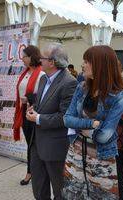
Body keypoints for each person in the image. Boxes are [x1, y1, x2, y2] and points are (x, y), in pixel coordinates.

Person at [63, 45, 123, 199]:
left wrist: (79, 125)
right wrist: (91, 124)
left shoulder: (119, 96)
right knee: (72, 194)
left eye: (87, 61)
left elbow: (104, 136)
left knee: (100, 195)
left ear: (100, 64)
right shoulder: (82, 87)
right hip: (76, 151)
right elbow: (67, 119)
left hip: (101, 157)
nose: (82, 64)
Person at [26, 43, 77, 200]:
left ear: (52, 62)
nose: (39, 60)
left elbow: (65, 117)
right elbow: (45, 104)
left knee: (59, 191)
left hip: (55, 146)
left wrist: (38, 118)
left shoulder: (69, 82)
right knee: (39, 189)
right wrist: (34, 108)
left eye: (42, 57)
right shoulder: (43, 79)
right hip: (37, 143)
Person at [13, 45, 45, 186]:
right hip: (24, 112)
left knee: (35, 145)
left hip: (36, 113)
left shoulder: (42, 74)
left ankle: (31, 172)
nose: (22, 58)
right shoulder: (25, 72)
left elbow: (44, 96)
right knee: (30, 144)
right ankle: (32, 171)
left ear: (32, 57)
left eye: (24, 56)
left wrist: (30, 98)